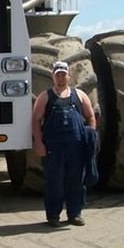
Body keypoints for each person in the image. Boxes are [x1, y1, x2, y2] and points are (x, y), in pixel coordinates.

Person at [32, 61, 97, 227]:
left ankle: (75, 214)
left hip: (76, 147)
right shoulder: (45, 96)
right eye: (57, 74)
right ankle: (53, 216)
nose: (60, 77)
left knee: (76, 182)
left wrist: (90, 136)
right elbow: (36, 120)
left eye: (63, 74)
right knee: (55, 182)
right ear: (53, 77)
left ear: (69, 76)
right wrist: (39, 143)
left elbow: (90, 117)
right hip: (53, 148)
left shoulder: (80, 95)